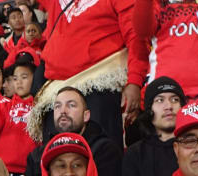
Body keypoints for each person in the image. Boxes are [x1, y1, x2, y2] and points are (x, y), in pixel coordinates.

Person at [33, 0, 149, 143]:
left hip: (99, 86)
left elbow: (136, 38)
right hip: (56, 89)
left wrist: (134, 81)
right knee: (56, 156)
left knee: (100, 154)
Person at [26, 87, 123, 176]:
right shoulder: (37, 155)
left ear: (86, 115)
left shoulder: (105, 151)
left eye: (71, 105)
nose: (63, 111)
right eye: (57, 106)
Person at [120, 77, 184, 176]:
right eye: (160, 100)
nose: (169, 106)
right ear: (149, 110)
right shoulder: (135, 154)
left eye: (175, 100)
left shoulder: (194, 147)